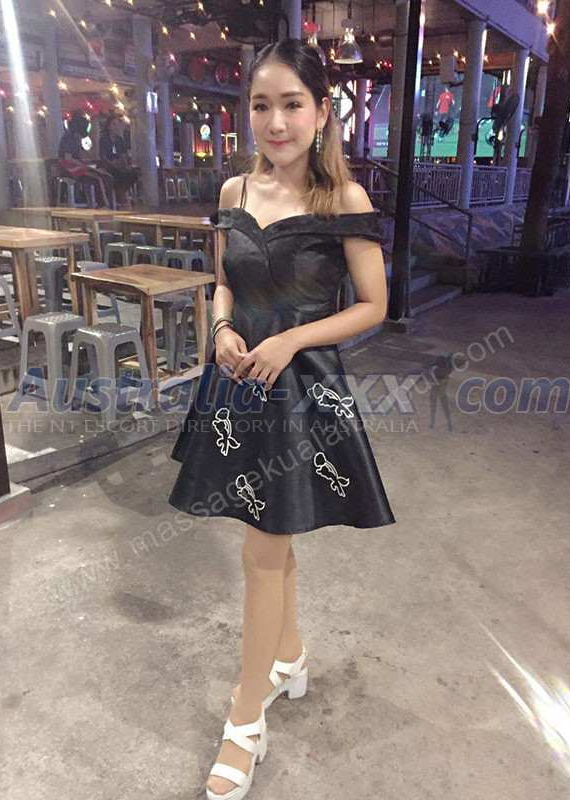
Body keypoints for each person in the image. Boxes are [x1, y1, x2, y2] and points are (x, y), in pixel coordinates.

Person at [167, 38, 396, 800]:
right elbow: (225, 281)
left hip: (299, 394)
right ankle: (289, 657)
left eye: (292, 104)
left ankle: (245, 720)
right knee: (273, 530)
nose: (275, 122)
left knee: (262, 552)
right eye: (261, 105)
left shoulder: (344, 201)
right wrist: (221, 328)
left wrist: (293, 337)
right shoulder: (235, 187)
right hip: (237, 385)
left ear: (322, 112)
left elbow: (374, 304)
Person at [57, 112, 114, 208]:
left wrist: (83, 162)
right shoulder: (70, 138)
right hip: (68, 168)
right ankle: (103, 204)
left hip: (71, 167)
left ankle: (97, 202)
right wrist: (82, 165)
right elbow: (68, 158)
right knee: (98, 178)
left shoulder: (71, 137)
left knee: (103, 175)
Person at [98, 114, 139, 208]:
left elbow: (123, 155)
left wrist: (126, 165)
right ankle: (120, 196)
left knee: (133, 173)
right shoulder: (104, 139)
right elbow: (103, 157)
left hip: (118, 165)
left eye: (117, 124)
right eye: (113, 124)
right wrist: (113, 164)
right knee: (117, 174)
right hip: (108, 166)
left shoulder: (120, 140)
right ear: (108, 127)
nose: (116, 127)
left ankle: (122, 192)